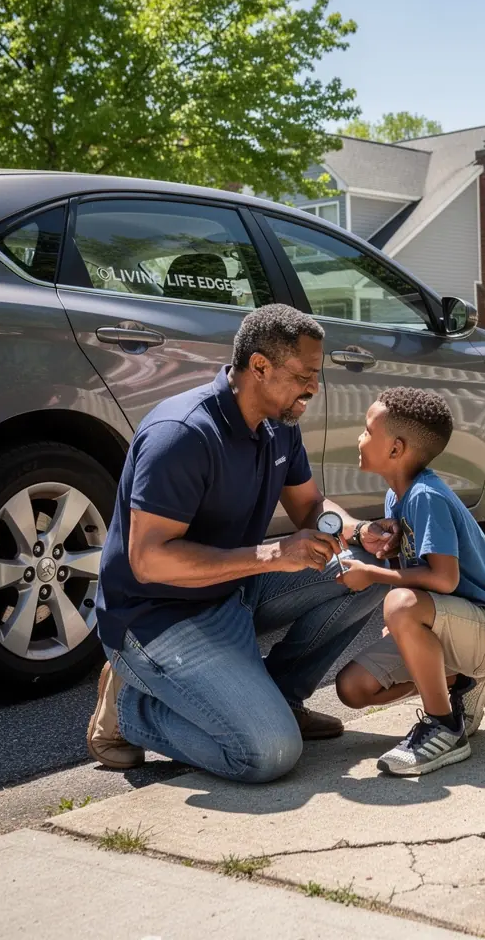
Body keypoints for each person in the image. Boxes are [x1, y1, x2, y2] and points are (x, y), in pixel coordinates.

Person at [86, 304, 400, 782]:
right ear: (259, 366)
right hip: (158, 619)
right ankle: (133, 709)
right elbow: (148, 561)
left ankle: (280, 698)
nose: (312, 388)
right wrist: (273, 554)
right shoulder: (181, 435)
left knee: (367, 570)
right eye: (303, 375)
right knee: (268, 754)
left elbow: (310, 507)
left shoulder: (278, 424)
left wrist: (360, 532)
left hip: (233, 591)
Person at [333, 387, 485, 776]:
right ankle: (462, 682)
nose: (360, 437)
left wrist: (373, 574)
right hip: (454, 628)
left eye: (368, 431)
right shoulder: (397, 497)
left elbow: (444, 577)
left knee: (400, 604)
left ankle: (444, 727)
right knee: (351, 689)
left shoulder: (426, 496)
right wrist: (402, 619)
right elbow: (418, 574)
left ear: (396, 449)